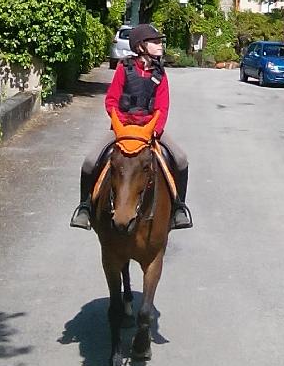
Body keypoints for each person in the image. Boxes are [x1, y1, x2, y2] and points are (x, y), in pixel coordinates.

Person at [69, 22, 192, 231]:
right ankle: (85, 207)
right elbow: (111, 101)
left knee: (180, 159)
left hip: (150, 131)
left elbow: (163, 106)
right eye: (154, 42)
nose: (160, 45)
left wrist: (154, 130)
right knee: (90, 161)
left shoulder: (161, 73)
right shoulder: (123, 68)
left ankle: (178, 208)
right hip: (122, 129)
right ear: (141, 46)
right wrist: (120, 127)